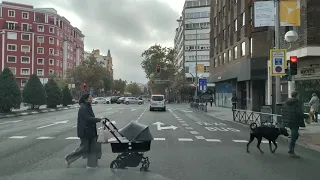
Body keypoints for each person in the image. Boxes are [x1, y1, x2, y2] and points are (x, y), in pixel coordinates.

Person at [65, 94, 102, 168]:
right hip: (85, 131)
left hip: (90, 131)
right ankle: (69, 158)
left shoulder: (88, 106)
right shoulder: (83, 108)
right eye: (90, 98)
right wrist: (99, 119)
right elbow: (87, 118)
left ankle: (92, 164)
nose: (92, 99)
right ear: (86, 99)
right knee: (84, 148)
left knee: (93, 148)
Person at [281, 91, 308, 158]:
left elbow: (283, 111)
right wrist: (306, 116)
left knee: (295, 135)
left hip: (288, 121)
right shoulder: (297, 103)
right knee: (294, 135)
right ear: (297, 95)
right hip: (295, 121)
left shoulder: (285, 102)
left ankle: (291, 147)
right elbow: (298, 113)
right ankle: (291, 151)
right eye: (298, 95)